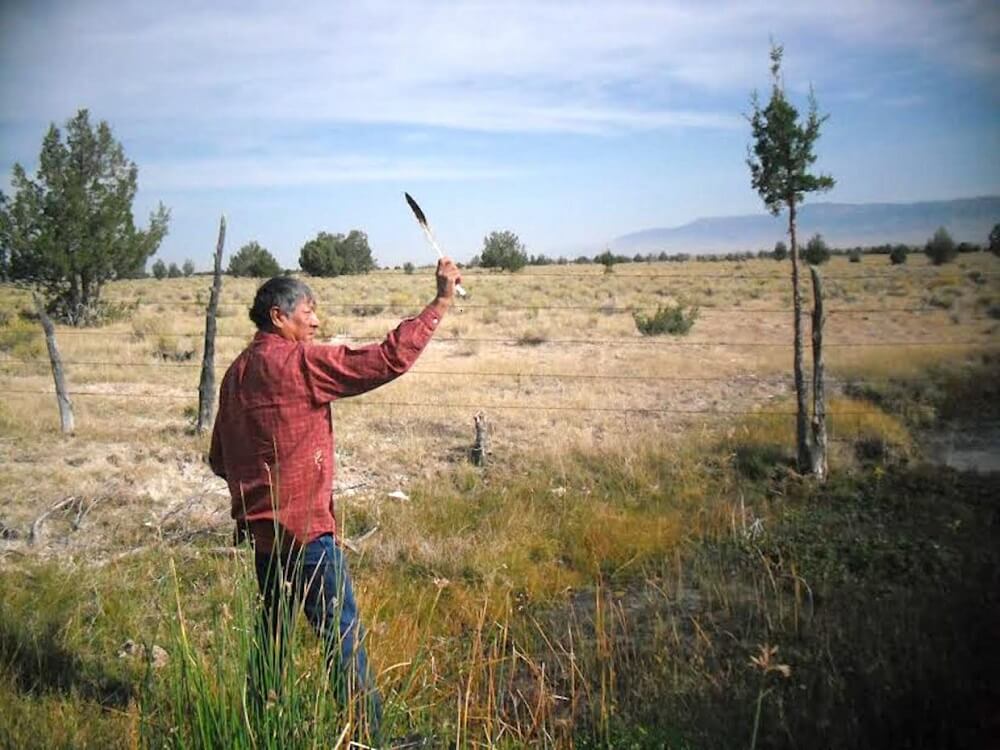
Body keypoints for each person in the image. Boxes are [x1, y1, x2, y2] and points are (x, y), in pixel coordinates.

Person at [209, 258, 462, 737]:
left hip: (264, 542)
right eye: (309, 311)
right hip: (308, 537)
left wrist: (261, 488)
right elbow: (386, 359)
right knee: (342, 639)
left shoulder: (235, 375)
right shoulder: (298, 363)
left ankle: (259, 733)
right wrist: (441, 301)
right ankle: (370, 741)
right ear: (279, 316)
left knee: (270, 643)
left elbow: (219, 459)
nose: (316, 321)